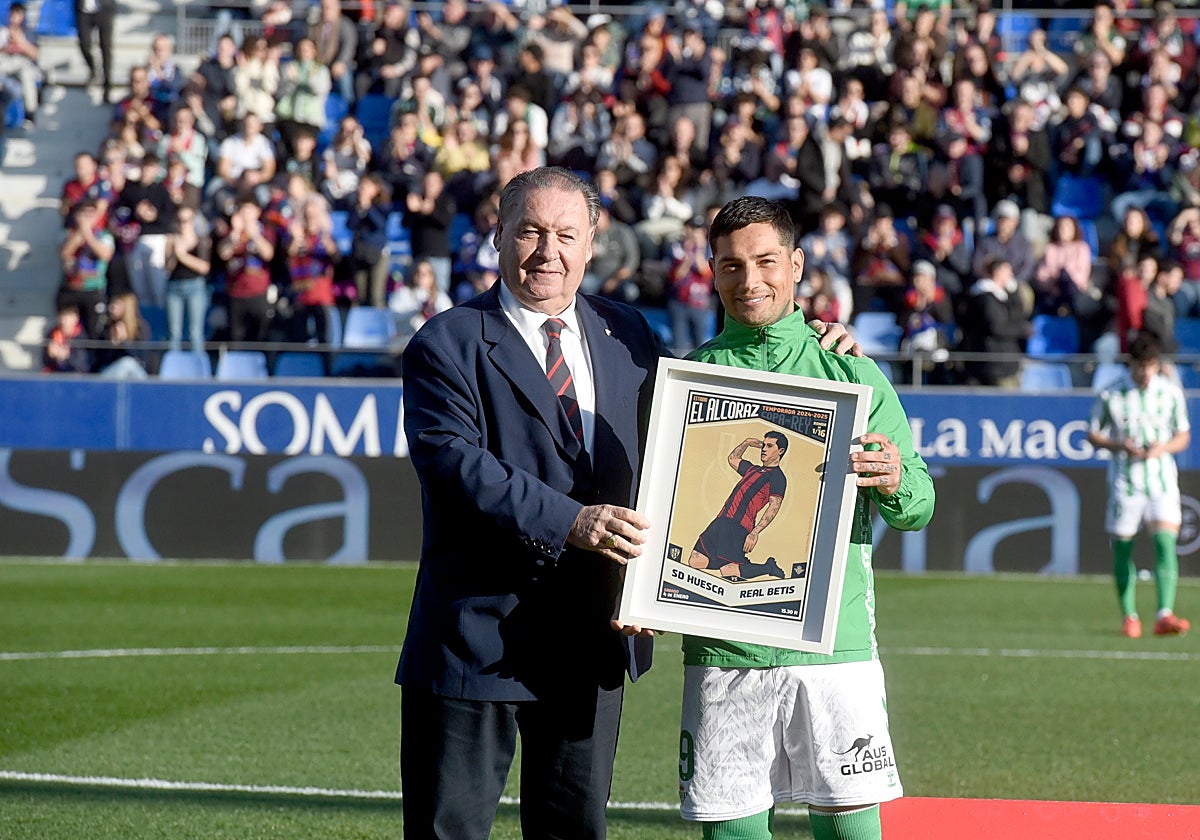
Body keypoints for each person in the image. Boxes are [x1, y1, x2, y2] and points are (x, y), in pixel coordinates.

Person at [396, 167, 862, 836]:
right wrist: (574, 522)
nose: (546, 251)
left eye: (565, 234)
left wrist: (816, 347)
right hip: (476, 639)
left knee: (575, 831)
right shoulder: (446, 343)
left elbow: (704, 428)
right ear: (497, 237)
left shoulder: (630, 334)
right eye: (528, 231)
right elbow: (455, 466)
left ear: (593, 244)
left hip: (593, 636)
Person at [678, 195, 935, 840]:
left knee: (849, 827)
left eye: (766, 262)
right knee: (731, 829)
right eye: (732, 266)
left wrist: (894, 480)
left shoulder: (850, 373)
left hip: (833, 642)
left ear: (797, 265)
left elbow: (920, 505)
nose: (750, 281)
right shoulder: (687, 381)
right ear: (712, 270)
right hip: (723, 643)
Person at [1087, 331, 1191, 638]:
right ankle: (1129, 616)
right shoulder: (1112, 394)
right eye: (1139, 366)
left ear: (1157, 364)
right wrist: (1119, 444)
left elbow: (1183, 435)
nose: (1144, 373)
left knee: (1164, 543)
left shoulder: (1170, 393)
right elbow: (1092, 433)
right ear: (1130, 364)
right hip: (1125, 482)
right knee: (1123, 549)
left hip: (1161, 480)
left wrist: (1162, 448)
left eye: (1149, 366)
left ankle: (1164, 613)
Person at [687, 433, 789, 581]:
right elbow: (733, 459)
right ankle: (733, 564)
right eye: (763, 445)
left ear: (780, 451)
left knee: (728, 571)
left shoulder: (778, 477)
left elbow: (774, 506)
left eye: (769, 446)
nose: (764, 449)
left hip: (738, 526)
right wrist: (746, 443)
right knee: (695, 561)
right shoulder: (752, 470)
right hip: (721, 520)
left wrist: (755, 532)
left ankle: (768, 567)